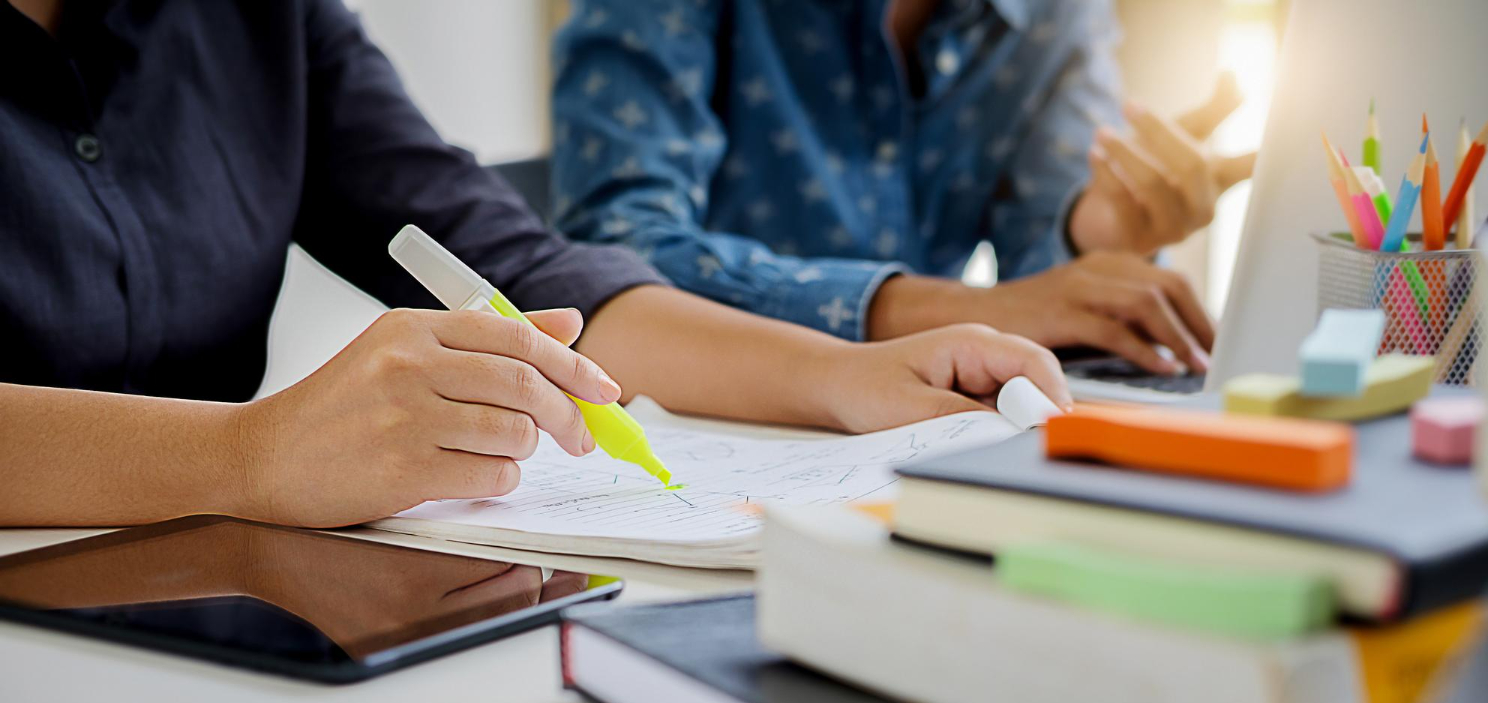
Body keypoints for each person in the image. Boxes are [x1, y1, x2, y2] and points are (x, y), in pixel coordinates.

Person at [0, 0, 1070, 530]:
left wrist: (839, 372)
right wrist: (249, 454)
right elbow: (255, 457)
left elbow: (527, 269)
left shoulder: (259, 18)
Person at [552, 0, 1256, 375]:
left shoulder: (1057, 14)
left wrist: (1094, 235)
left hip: (908, 437)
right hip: (698, 442)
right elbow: (613, 254)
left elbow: (1047, 298)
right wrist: (955, 311)